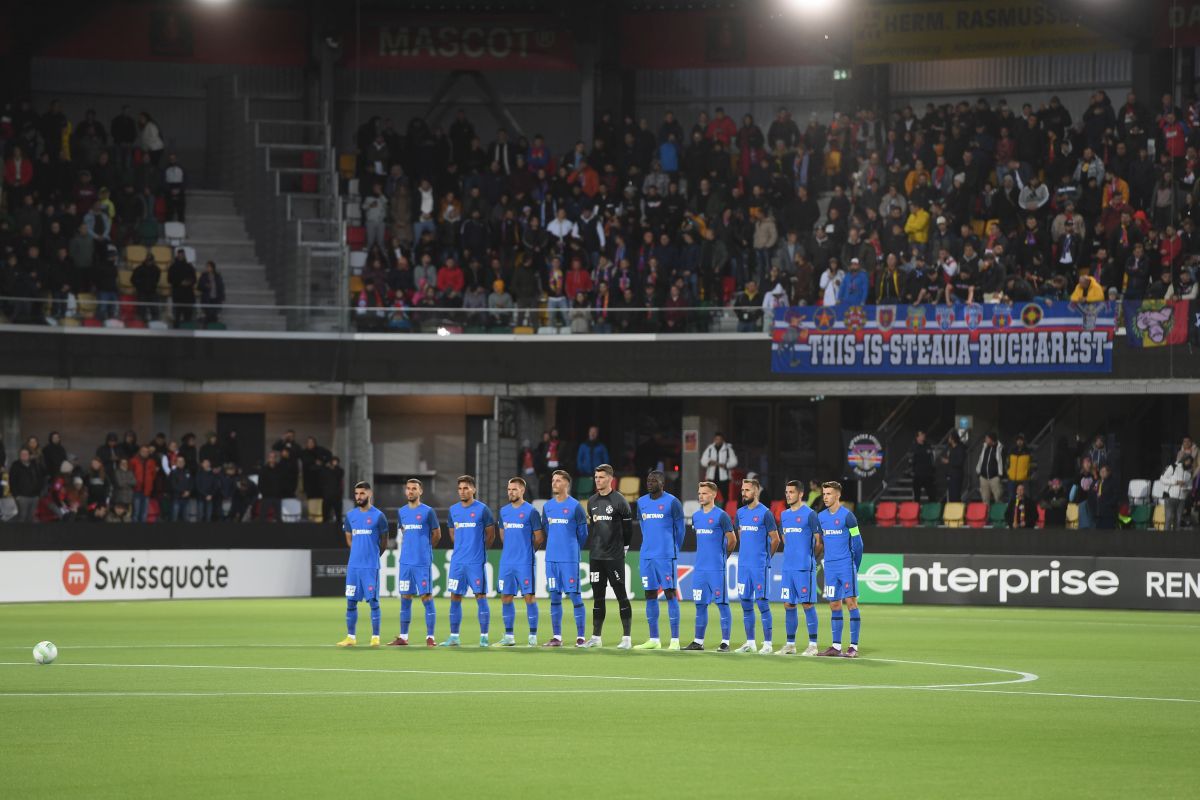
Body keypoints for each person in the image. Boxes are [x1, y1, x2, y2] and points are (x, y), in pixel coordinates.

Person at [440, 475, 495, 647]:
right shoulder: (453, 510)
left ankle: (484, 637)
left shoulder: (483, 510)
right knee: (455, 596)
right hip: (458, 563)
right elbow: (452, 533)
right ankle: (454, 636)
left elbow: (490, 535)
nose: (462, 491)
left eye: (466, 488)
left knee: (480, 596)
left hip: (475, 562)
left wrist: (479, 550)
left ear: (473, 489)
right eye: (460, 489)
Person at [633, 469, 686, 650]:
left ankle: (675, 640)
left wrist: (673, 549)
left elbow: (681, 530)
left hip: (665, 556)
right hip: (646, 556)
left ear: (662, 483)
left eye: (653, 480)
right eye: (648, 480)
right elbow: (643, 525)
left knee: (670, 594)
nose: (649, 483)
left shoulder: (673, 502)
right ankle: (654, 639)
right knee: (650, 595)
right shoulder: (641, 502)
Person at [583, 464, 634, 649]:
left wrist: (624, 548)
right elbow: (594, 529)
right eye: (596, 477)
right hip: (596, 557)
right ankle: (596, 637)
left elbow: (628, 530)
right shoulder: (591, 501)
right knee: (598, 597)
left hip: (614, 557)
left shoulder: (620, 501)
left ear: (610, 479)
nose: (598, 480)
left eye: (602, 477)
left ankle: (626, 638)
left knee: (621, 595)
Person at [682, 481, 736, 652]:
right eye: (699, 493)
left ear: (713, 495)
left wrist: (722, 557)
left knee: (722, 604)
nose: (700, 496)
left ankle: (725, 642)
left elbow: (732, 539)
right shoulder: (696, 517)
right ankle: (698, 641)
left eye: (704, 493)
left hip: (716, 569)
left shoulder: (721, 516)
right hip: (700, 569)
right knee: (700, 605)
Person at [388, 478, 441, 647]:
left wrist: (425, 550)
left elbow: (437, 534)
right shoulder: (401, 512)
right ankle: (403, 637)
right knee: (405, 598)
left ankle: (430, 637)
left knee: (426, 597)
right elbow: (403, 531)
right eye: (408, 488)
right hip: (405, 563)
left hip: (421, 563)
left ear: (420, 491)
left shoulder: (428, 512)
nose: (410, 491)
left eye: (414, 488)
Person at [336, 481, 388, 648]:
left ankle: (375, 637)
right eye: (356, 494)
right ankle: (351, 637)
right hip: (354, 567)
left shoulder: (379, 516)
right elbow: (349, 538)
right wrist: (358, 554)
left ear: (369, 494)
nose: (358, 497)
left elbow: (384, 541)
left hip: (370, 567)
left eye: (362, 493)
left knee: (373, 602)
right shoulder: (351, 515)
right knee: (350, 602)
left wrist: (372, 555)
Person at [540, 469, 589, 647]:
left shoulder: (575, 506)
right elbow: (546, 528)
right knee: (554, 596)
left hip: (569, 559)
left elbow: (583, 534)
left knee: (575, 596)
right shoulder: (547, 507)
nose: (554, 483)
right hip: (551, 559)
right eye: (553, 480)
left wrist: (572, 549)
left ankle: (581, 637)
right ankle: (557, 637)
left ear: (567, 484)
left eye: (559, 480)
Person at [776, 479, 823, 656]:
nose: (788, 495)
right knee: (788, 604)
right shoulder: (785, 515)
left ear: (801, 494)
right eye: (786, 492)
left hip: (804, 567)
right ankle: (790, 644)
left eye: (792, 492)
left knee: (807, 604)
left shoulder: (810, 514)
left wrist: (810, 558)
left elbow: (819, 543)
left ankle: (813, 645)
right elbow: (785, 538)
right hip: (788, 567)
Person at [817, 481, 863, 658]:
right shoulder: (821, 517)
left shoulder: (848, 517)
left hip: (846, 566)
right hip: (830, 567)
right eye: (824, 494)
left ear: (837, 495)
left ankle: (853, 647)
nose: (825, 497)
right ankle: (836, 646)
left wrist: (854, 567)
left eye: (829, 494)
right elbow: (821, 542)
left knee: (851, 603)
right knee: (834, 604)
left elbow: (858, 544)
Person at [496, 477, 543, 647]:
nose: (511, 492)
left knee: (529, 597)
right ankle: (509, 636)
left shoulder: (531, 511)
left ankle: (532, 636)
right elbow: (503, 535)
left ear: (522, 490)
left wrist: (527, 552)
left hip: (525, 562)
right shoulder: (503, 511)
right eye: (509, 489)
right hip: (507, 562)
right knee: (506, 597)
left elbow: (539, 538)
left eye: (514, 489)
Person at [8, 448, 42, 522]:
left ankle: (30, 533)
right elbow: (12, 481)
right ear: (19, 455)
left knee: (32, 516)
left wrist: (39, 493)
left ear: (29, 455)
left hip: (34, 496)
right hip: (22, 496)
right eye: (22, 454)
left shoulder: (34, 465)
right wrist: (16, 495)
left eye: (26, 454)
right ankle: (19, 532)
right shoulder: (15, 465)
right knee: (22, 516)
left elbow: (40, 478)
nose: (24, 456)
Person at [1160, 455, 1193, 530]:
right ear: (1183, 460)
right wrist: (1176, 482)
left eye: (1190, 462)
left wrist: (1186, 488)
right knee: (1169, 518)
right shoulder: (1173, 467)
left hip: (1182, 498)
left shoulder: (1189, 471)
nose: (1188, 463)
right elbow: (1162, 479)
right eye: (1187, 461)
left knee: (1178, 520)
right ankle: (1165, 539)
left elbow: (1190, 486)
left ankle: (1176, 539)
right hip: (1170, 496)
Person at [976, 431, 1005, 504]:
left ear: (991, 439)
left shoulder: (999, 448)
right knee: (985, 499)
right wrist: (979, 472)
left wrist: (999, 475)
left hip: (995, 477)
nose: (985, 440)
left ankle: (999, 514)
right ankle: (986, 515)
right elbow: (981, 459)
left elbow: (1001, 462)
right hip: (983, 477)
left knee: (998, 498)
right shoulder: (985, 447)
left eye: (987, 438)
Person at [910, 430, 935, 503]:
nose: (923, 436)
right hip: (918, 475)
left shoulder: (928, 446)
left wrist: (932, 470)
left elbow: (932, 458)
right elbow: (911, 460)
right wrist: (912, 471)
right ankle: (916, 511)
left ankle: (932, 511)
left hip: (928, 474)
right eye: (921, 435)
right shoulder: (914, 447)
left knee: (931, 495)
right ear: (917, 437)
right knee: (917, 496)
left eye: (923, 434)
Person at [1093, 464, 1120, 530]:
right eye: (1101, 471)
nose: (1102, 473)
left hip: (1109, 514)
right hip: (1098, 513)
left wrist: (1108, 504)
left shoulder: (1112, 482)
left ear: (1108, 472)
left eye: (1104, 471)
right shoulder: (1097, 482)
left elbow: (1116, 496)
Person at [167, 454, 193, 521]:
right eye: (179, 461)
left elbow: (191, 483)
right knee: (174, 518)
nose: (181, 463)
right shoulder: (173, 472)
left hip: (186, 498)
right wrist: (183, 492)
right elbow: (173, 485)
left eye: (182, 461)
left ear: (184, 463)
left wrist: (189, 491)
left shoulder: (188, 471)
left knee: (186, 518)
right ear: (176, 463)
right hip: (176, 498)